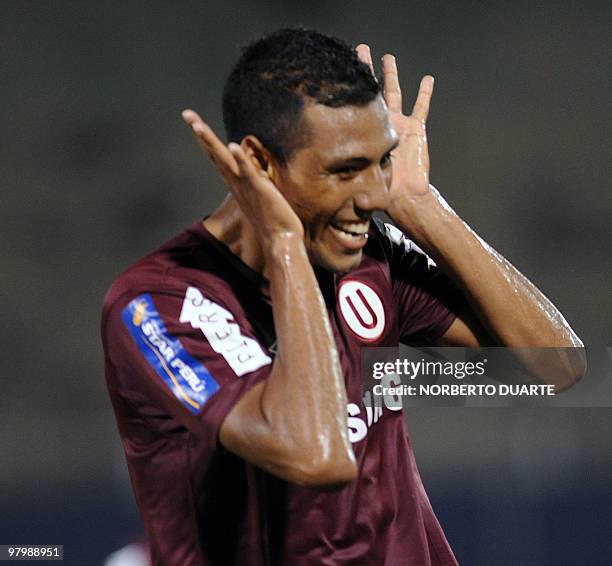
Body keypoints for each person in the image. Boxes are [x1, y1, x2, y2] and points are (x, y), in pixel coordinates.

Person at [101, 28, 584, 565]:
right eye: (347, 170)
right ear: (261, 164)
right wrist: (285, 243)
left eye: (383, 160)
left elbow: (555, 367)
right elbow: (320, 457)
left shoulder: (373, 255)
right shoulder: (158, 303)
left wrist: (424, 209)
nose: (376, 195)